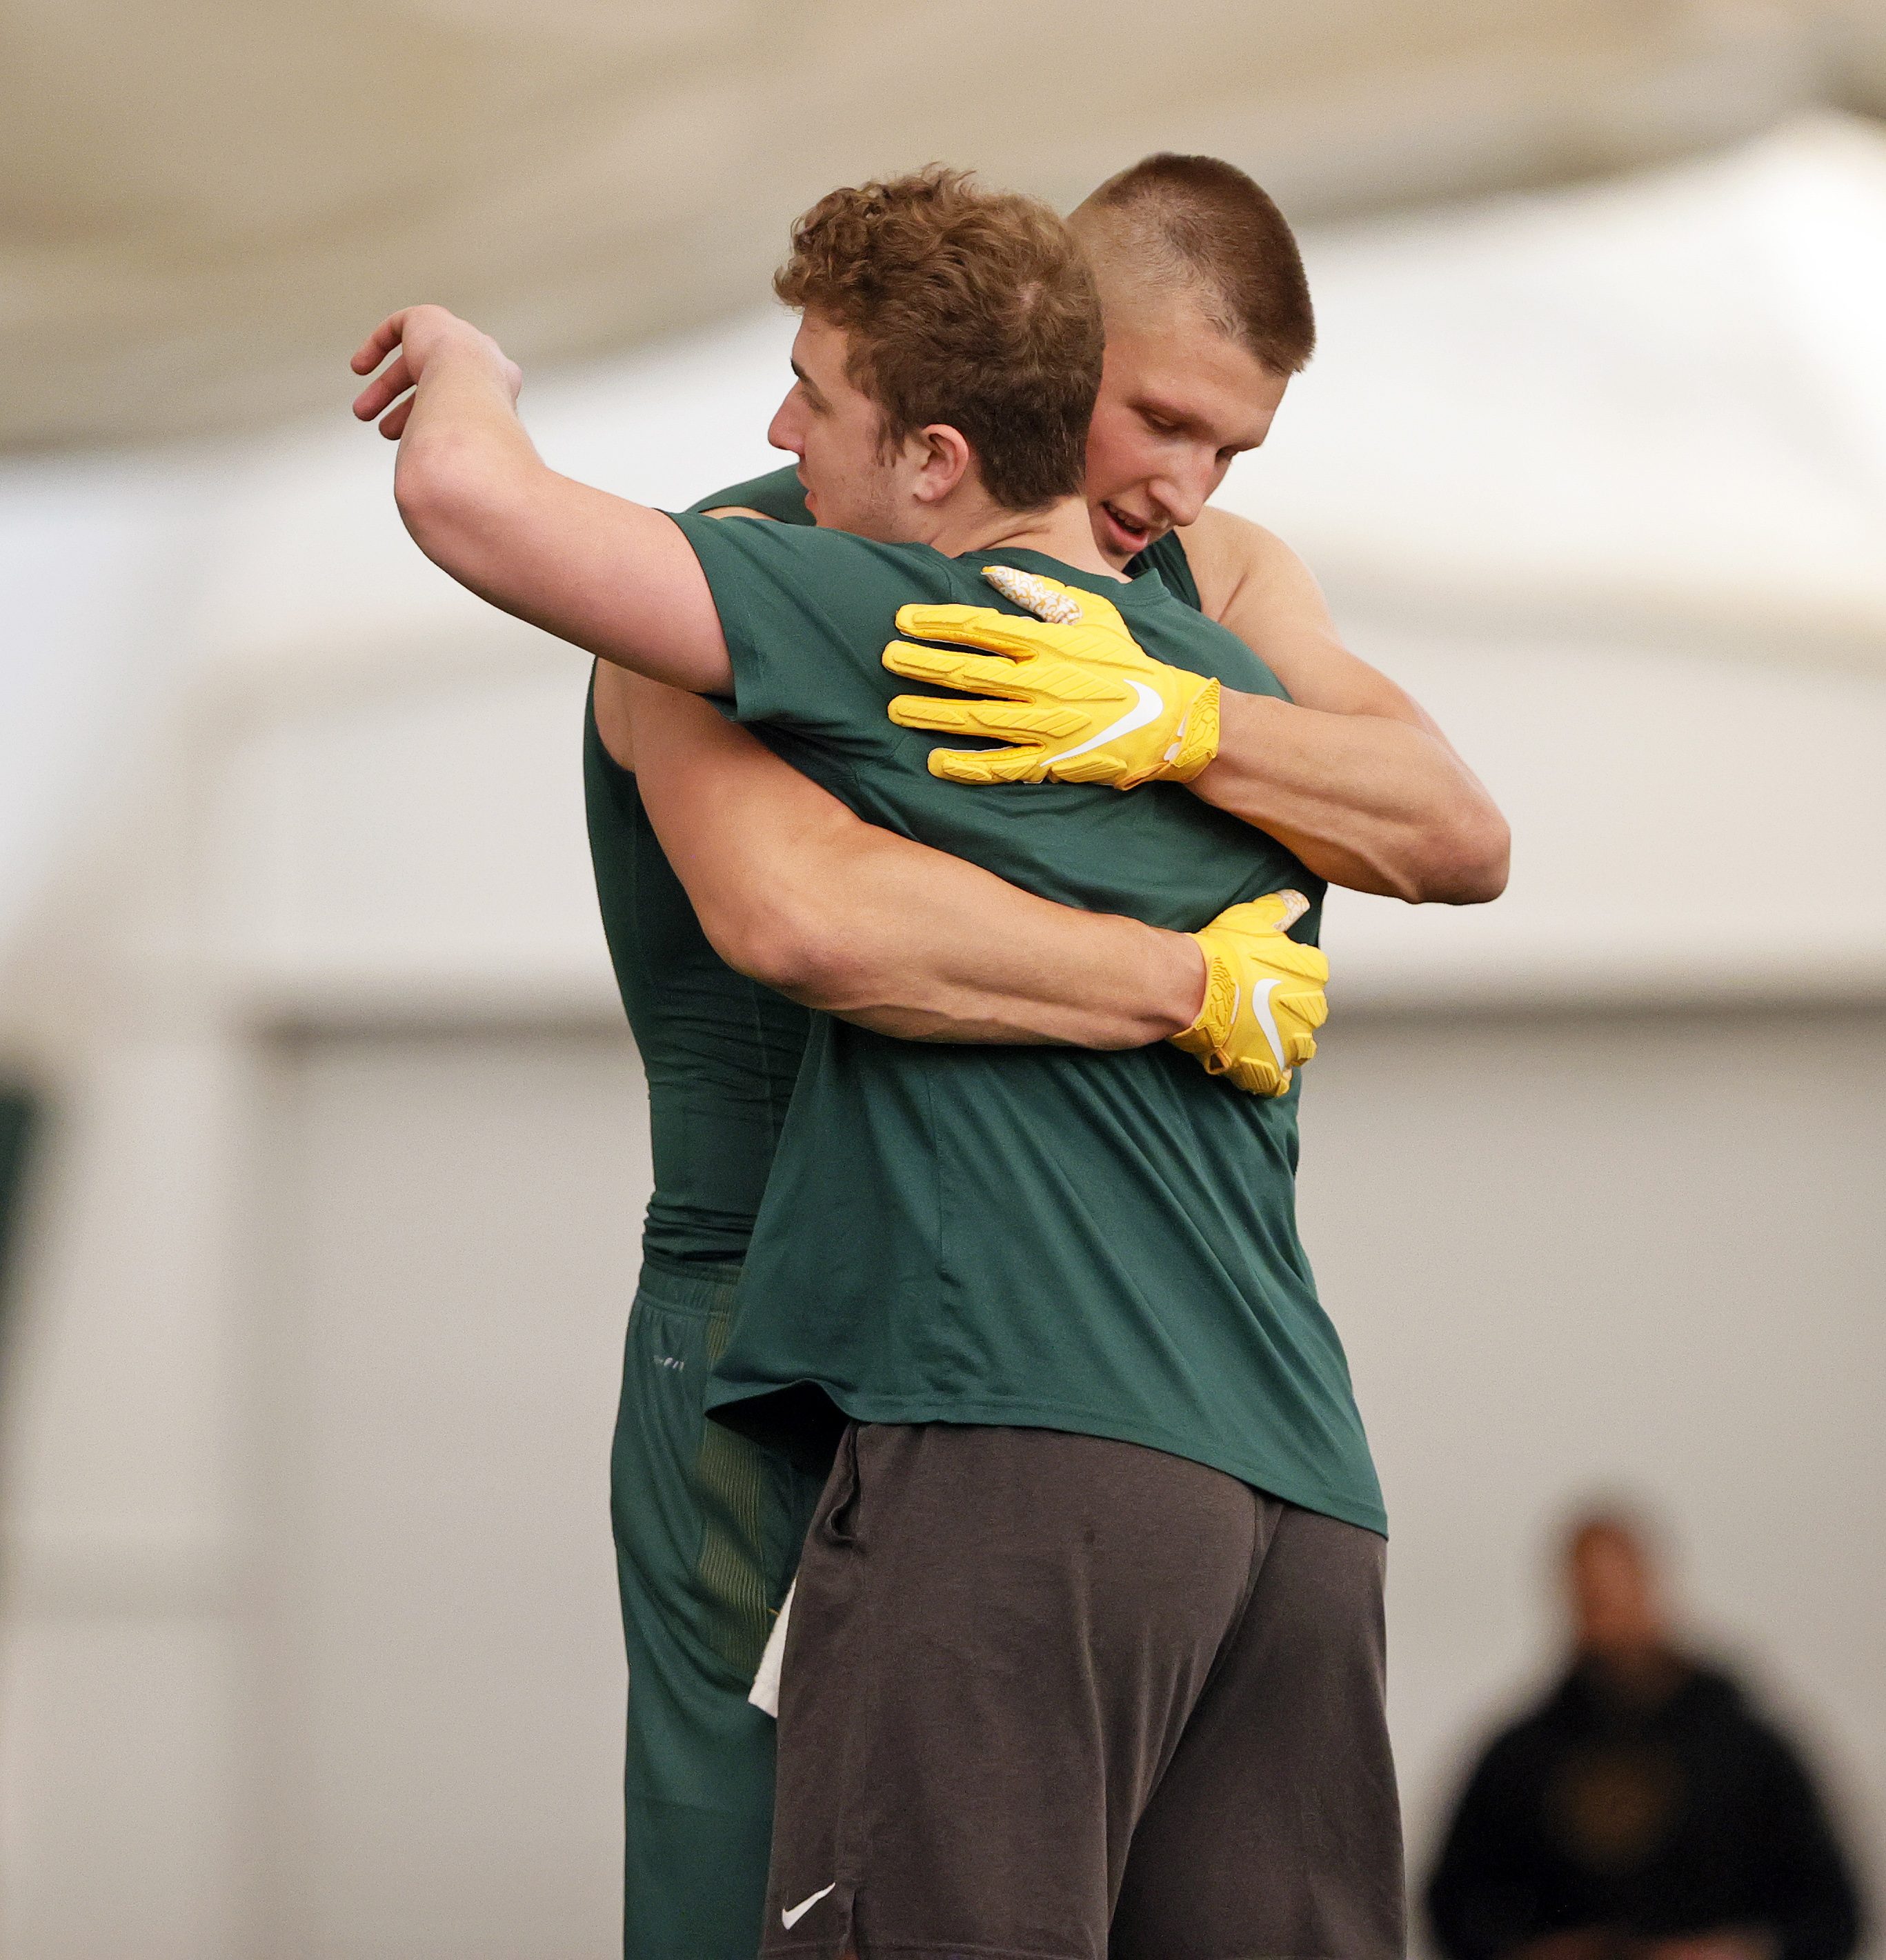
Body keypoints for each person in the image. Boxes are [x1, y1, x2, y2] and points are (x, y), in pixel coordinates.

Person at [350, 163, 1500, 1960]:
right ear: (1047, 353)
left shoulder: (1195, 599)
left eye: (1229, 449)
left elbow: (1456, 826)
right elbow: (799, 908)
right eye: (1161, 421)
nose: (1185, 488)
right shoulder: (755, 572)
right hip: (816, 1332)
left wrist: (1186, 723)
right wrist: (1179, 975)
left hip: (998, 1380)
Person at [1426, 1510, 1866, 1960]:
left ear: (1650, 1586)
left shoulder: (1746, 1751)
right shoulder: (1519, 1760)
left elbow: (1832, 1914)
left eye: (1616, 1592)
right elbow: (1453, 1908)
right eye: (1591, 1599)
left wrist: (1733, 1952)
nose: (1606, 1618)